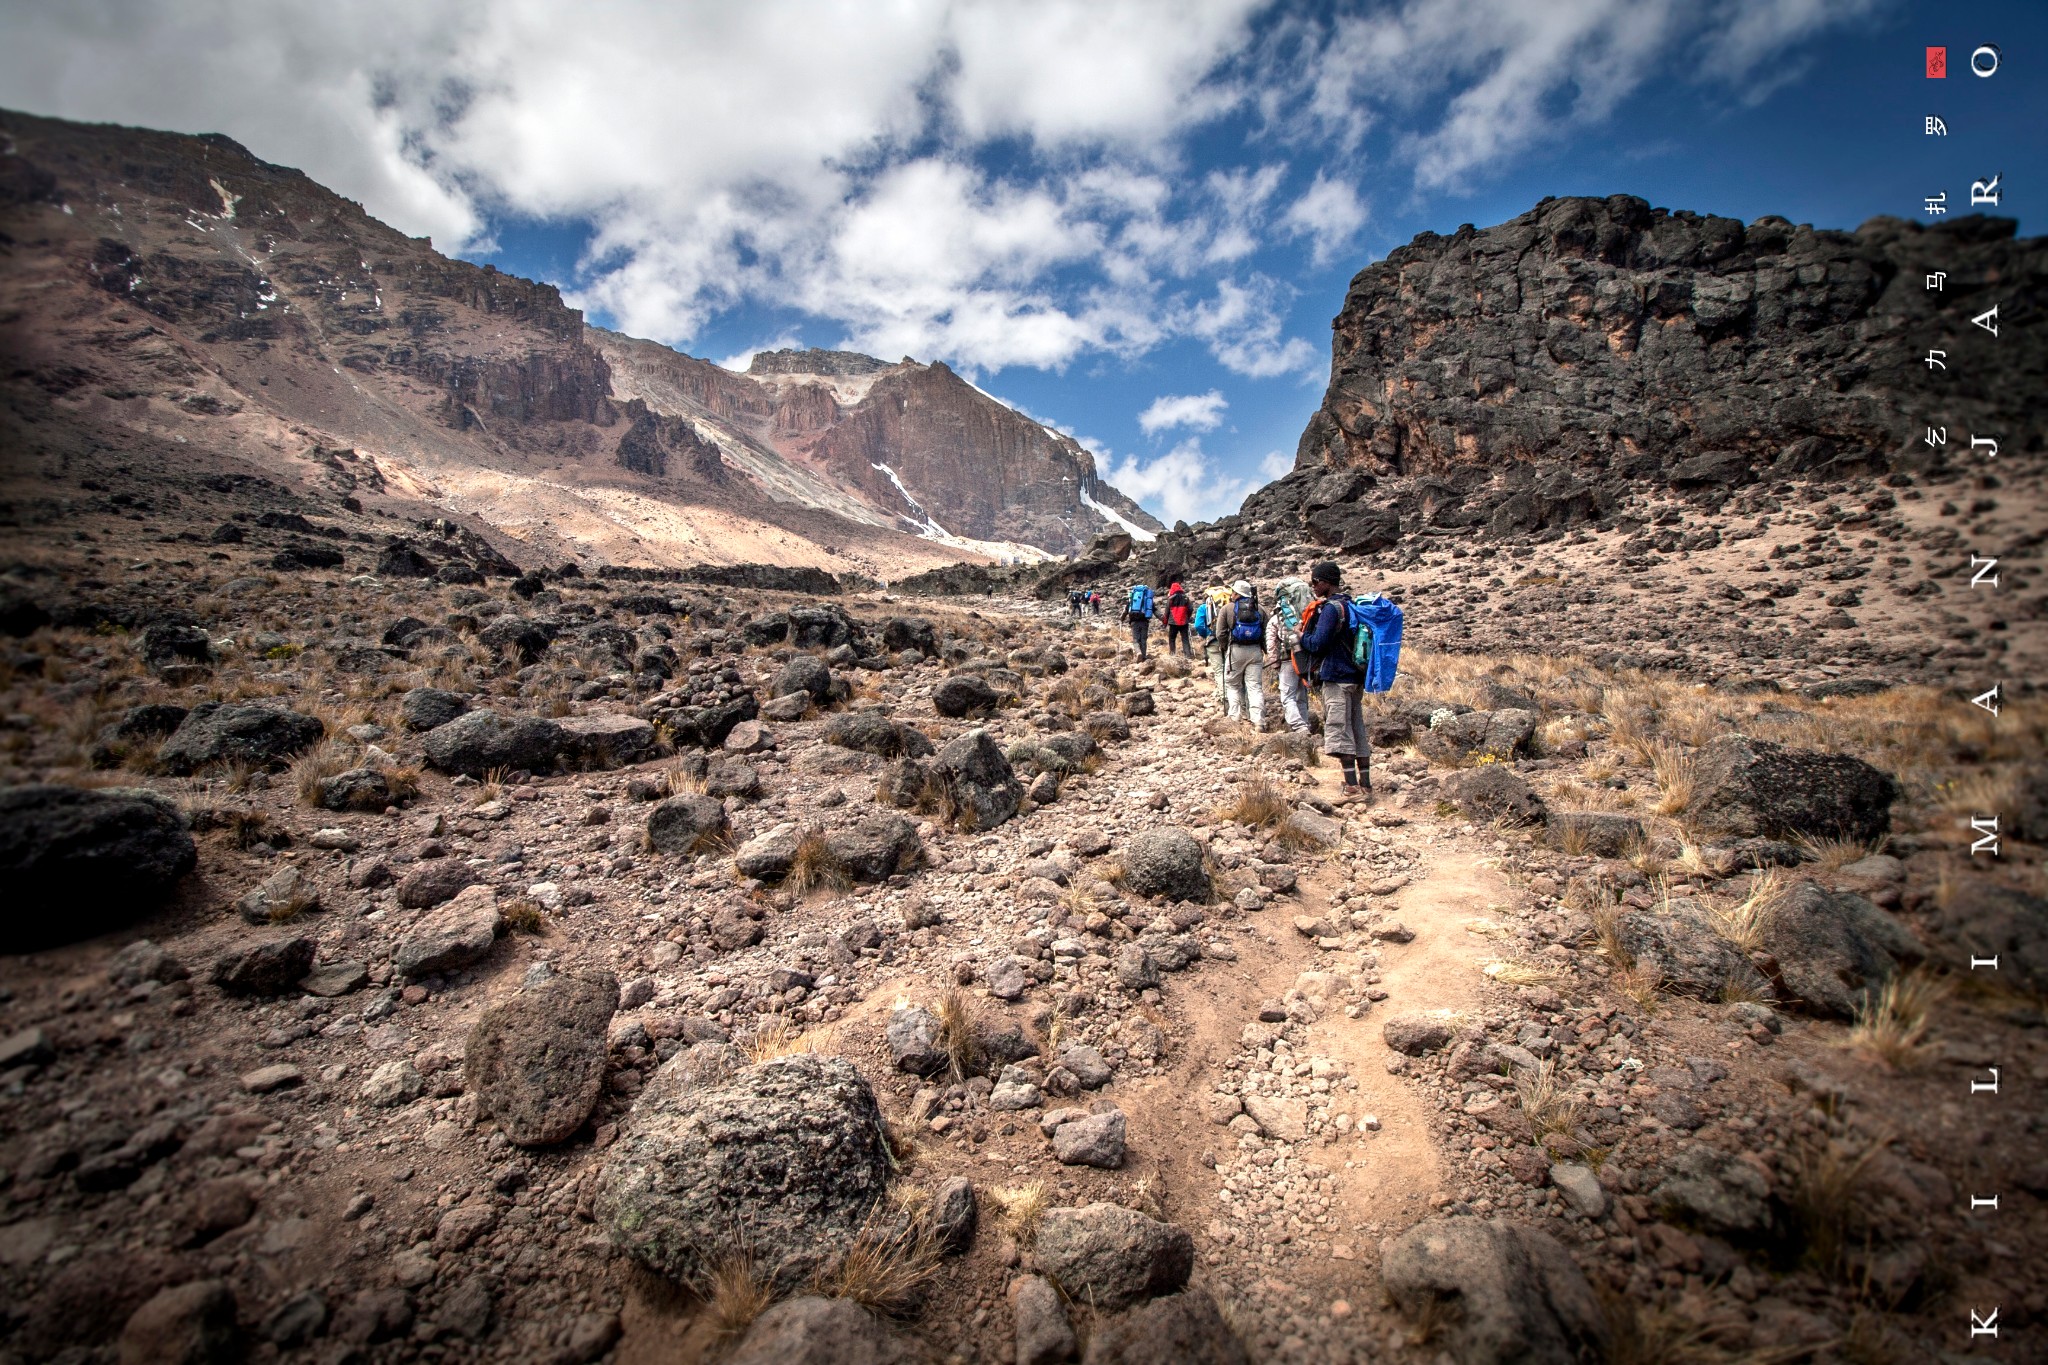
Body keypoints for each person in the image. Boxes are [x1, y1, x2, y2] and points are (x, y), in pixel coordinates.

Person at [1296, 560, 1370, 799]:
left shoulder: (1330, 609)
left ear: (1326, 583)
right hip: (1356, 676)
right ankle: (1366, 784)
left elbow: (1318, 644)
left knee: (1340, 729)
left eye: (1315, 582)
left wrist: (1301, 637)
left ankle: (1351, 787)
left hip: (1336, 676)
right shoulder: (1351, 605)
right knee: (1357, 728)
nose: (1313, 586)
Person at [1217, 578, 1267, 729]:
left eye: (1233, 591)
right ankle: (1258, 721)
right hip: (1255, 651)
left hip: (1235, 650)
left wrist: (1224, 647)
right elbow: (1266, 631)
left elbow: (1220, 633)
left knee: (1232, 684)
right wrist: (1265, 650)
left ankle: (1234, 717)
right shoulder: (1260, 609)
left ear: (1237, 593)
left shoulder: (1227, 609)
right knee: (1254, 686)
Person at [1266, 576, 1313, 734]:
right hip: (1305, 657)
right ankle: (1305, 723)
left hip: (1286, 660)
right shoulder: (1305, 613)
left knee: (1288, 696)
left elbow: (1271, 642)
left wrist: (1275, 663)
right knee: (1302, 694)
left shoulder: (1277, 617)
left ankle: (1299, 726)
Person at [1197, 583, 1233, 708]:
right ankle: (1235, 698)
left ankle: (1224, 698)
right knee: (1230, 669)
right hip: (1230, 640)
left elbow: (1198, 625)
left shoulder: (1204, 608)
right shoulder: (1230, 606)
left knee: (1219, 671)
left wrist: (1207, 634)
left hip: (1213, 641)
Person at [1124, 581, 1158, 659]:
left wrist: (1121, 619)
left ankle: (1138, 652)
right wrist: (1163, 619)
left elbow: (1126, 610)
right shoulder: (1147, 599)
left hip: (1134, 622)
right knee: (1143, 640)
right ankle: (1143, 656)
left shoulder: (1132, 599)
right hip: (1144, 621)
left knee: (1136, 640)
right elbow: (1154, 610)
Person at [1163, 581, 1193, 657]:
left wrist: (1165, 623)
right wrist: (1188, 617)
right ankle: (1188, 655)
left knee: (1172, 639)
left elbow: (1166, 613)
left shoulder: (1170, 599)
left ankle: (1172, 654)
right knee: (1185, 639)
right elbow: (1190, 609)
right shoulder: (1186, 598)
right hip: (1184, 622)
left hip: (1173, 623)